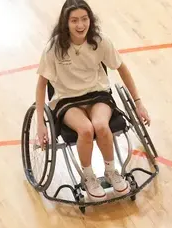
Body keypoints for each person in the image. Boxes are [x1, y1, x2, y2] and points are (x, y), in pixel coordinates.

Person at [34, 0, 151, 200]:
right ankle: (88, 178)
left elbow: (122, 69)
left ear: (90, 20)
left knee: (101, 126)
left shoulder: (100, 41)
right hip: (67, 99)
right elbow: (41, 85)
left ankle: (111, 171)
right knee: (86, 130)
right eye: (74, 21)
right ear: (66, 23)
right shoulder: (53, 48)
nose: (80, 25)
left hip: (97, 95)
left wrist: (138, 103)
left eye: (84, 19)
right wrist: (40, 125)